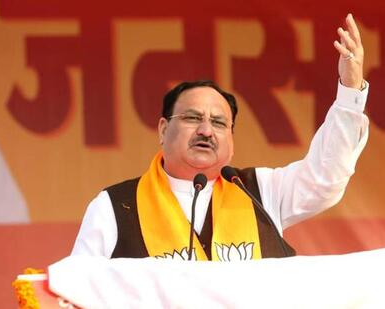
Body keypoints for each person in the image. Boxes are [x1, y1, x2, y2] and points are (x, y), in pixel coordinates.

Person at [71, 13, 369, 261]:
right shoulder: (114, 206)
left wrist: (350, 91)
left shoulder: (259, 191)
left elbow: (325, 176)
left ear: (231, 139)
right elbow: (78, 291)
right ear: (163, 129)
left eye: (218, 122)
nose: (205, 130)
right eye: (192, 117)